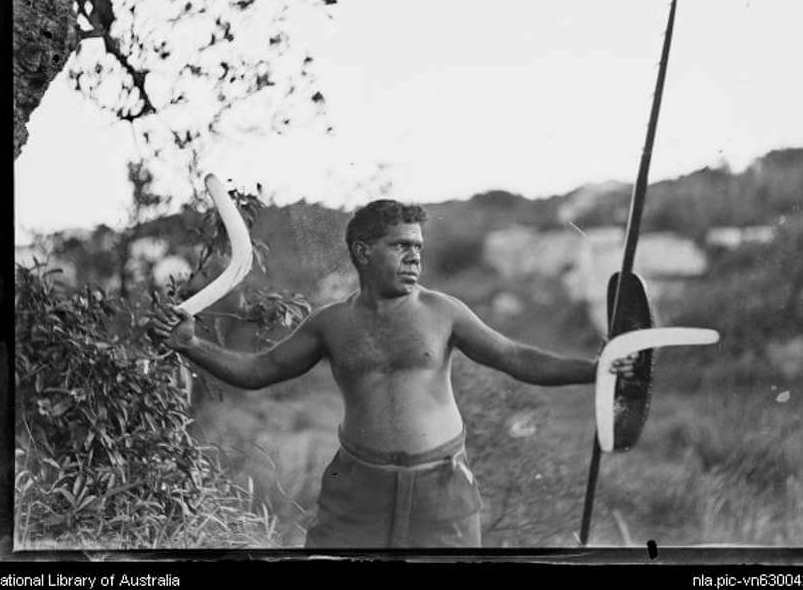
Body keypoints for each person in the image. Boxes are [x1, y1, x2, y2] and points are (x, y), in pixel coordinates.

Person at [148, 199, 636, 548]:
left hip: (440, 493)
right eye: (400, 246)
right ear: (363, 252)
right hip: (358, 493)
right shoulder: (332, 323)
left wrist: (595, 371)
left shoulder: (444, 312)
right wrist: (192, 345)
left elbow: (515, 357)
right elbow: (259, 371)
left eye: (418, 247)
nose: (414, 256)